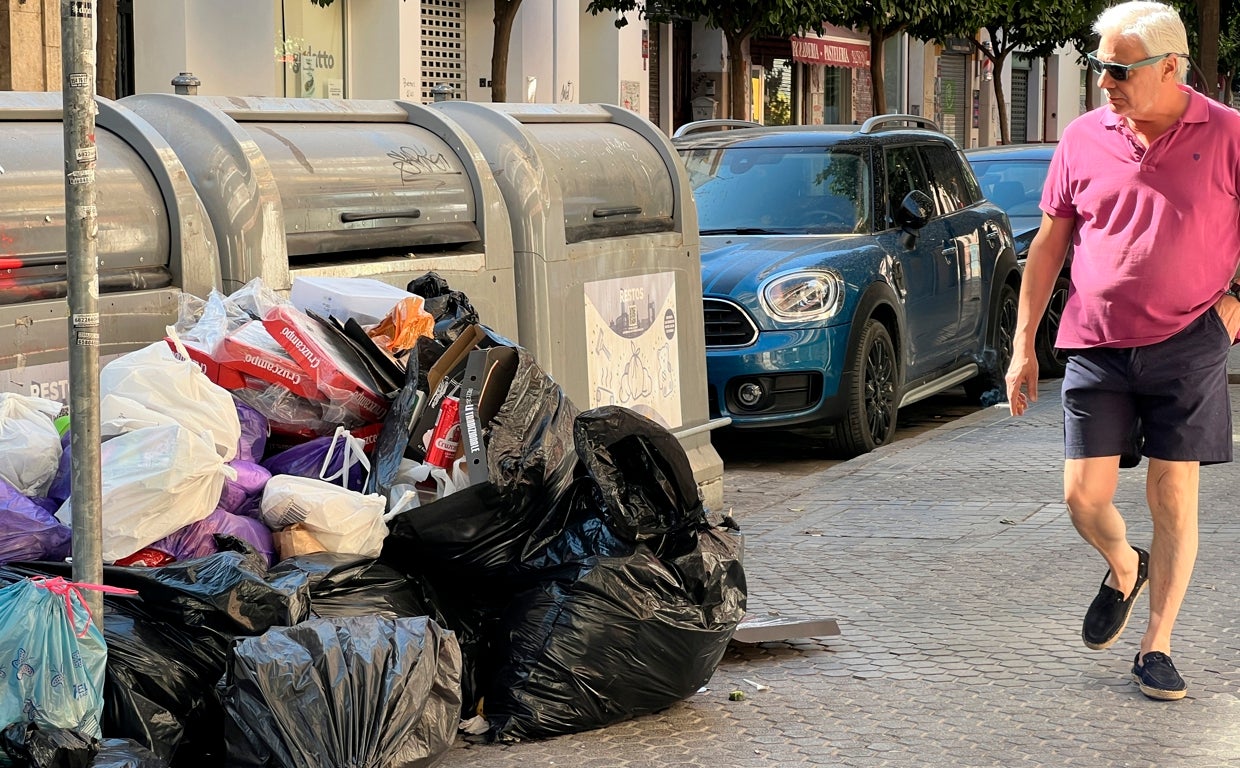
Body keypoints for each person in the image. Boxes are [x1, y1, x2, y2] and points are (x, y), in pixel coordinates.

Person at [1005, 0, 1240, 701]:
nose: (1103, 82)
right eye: (1097, 68)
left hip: (1188, 344)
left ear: (1170, 67)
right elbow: (1048, 247)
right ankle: (1122, 563)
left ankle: (1156, 644)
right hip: (1095, 346)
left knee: (1173, 496)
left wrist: (1235, 310)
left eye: (1116, 69)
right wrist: (1022, 347)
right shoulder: (1082, 138)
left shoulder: (1228, 135)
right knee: (1082, 497)